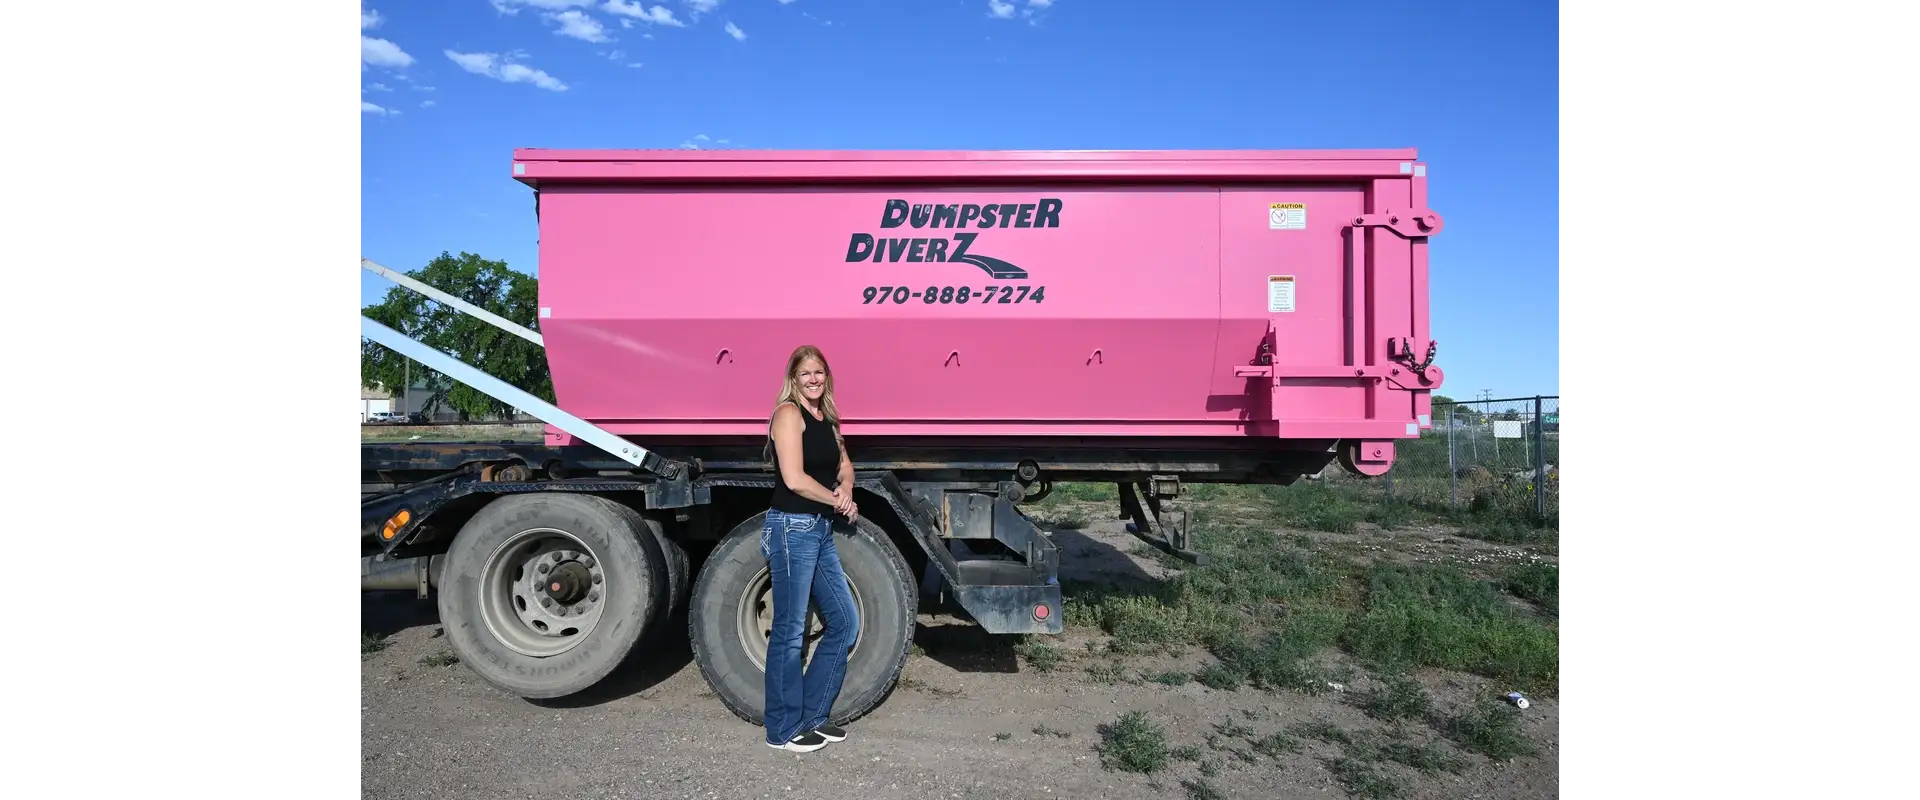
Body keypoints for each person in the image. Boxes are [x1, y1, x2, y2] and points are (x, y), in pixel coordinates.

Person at [760, 344, 862, 753]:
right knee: (789, 631)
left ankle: (813, 716)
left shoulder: (828, 419)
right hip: (791, 528)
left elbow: (845, 465)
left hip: (817, 528)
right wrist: (837, 501)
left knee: (845, 623)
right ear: (793, 378)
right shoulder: (788, 414)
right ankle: (781, 730)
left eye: (819, 372)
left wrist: (848, 486)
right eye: (805, 374)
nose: (813, 379)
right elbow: (795, 479)